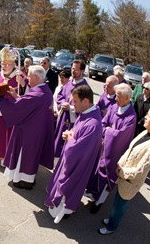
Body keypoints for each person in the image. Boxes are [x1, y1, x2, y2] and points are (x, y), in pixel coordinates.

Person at [0, 65, 54, 189]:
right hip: (38, 130)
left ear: (36, 77)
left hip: (28, 132)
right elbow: (28, 104)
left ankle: (24, 180)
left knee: (24, 157)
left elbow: (17, 107)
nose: (27, 79)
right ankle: (29, 178)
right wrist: (15, 96)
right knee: (32, 156)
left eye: (29, 76)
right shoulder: (46, 91)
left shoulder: (37, 95)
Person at [45, 85, 102, 223]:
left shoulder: (93, 124)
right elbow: (77, 133)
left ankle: (64, 212)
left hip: (77, 165)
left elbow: (80, 149)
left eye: (75, 101)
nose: (72, 104)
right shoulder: (86, 114)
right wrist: (69, 134)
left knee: (68, 189)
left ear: (86, 101)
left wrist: (70, 140)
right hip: (72, 159)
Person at [98, 105, 150, 235]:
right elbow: (130, 149)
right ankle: (112, 220)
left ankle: (112, 226)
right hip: (123, 174)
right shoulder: (146, 132)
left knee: (120, 205)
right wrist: (120, 163)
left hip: (130, 180)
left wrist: (122, 172)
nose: (145, 117)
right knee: (117, 201)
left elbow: (140, 169)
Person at [86, 83, 137, 213]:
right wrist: (109, 130)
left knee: (107, 178)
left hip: (114, 153)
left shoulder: (131, 117)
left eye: (118, 96)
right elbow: (103, 123)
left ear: (127, 99)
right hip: (103, 147)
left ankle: (98, 203)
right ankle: (92, 195)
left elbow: (120, 136)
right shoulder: (114, 107)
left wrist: (108, 131)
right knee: (96, 171)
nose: (115, 99)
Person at [0, 47, 26, 165]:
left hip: (11, 116)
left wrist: (22, 84)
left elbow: (26, 95)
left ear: (14, 65)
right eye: (3, 63)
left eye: (7, 64)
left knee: (9, 138)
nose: (4, 66)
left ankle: (8, 159)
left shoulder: (20, 77)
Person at [54, 59, 89, 157]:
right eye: (72, 69)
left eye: (76, 69)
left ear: (82, 71)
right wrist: (62, 104)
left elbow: (85, 107)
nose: (73, 71)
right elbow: (60, 96)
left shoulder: (85, 88)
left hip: (73, 121)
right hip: (63, 118)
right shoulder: (69, 83)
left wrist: (71, 108)